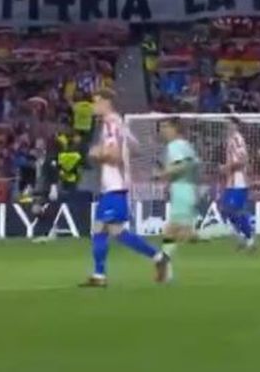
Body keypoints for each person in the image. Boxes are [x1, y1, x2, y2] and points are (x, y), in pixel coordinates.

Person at [81, 88, 170, 287]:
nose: (93, 106)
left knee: (106, 230)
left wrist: (96, 154)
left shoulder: (112, 123)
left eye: (96, 102)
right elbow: (135, 147)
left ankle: (101, 275)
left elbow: (114, 156)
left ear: (106, 103)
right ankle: (156, 258)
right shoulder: (119, 123)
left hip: (116, 186)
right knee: (110, 230)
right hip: (114, 187)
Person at [158, 118, 200, 268]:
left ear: (175, 128)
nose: (162, 130)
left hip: (182, 190)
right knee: (176, 230)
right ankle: (164, 260)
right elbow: (192, 164)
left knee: (178, 231)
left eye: (165, 126)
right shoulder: (187, 145)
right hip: (188, 189)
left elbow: (181, 165)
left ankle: (163, 261)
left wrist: (162, 174)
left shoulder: (174, 146)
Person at [220, 116, 257, 250]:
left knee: (234, 210)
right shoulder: (230, 140)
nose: (228, 127)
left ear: (236, 126)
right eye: (227, 125)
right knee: (225, 210)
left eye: (231, 125)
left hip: (239, 181)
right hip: (231, 182)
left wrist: (226, 167)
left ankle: (249, 238)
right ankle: (243, 237)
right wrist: (227, 167)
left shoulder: (237, 139)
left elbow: (243, 160)